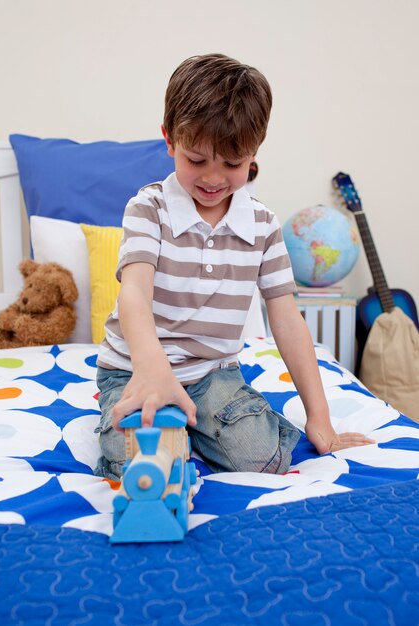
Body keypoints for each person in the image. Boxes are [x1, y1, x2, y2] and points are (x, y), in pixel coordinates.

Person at [94, 53, 374, 480]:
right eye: (197, 160)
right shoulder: (149, 208)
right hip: (135, 367)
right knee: (142, 470)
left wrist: (320, 418)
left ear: (253, 153)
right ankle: (172, 431)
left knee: (263, 460)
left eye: (232, 163)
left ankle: (199, 427)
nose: (213, 178)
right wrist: (152, 370)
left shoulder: (261, 224)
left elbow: (286, 319)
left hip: (211, 374)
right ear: (169, 140)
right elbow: (134, 293)